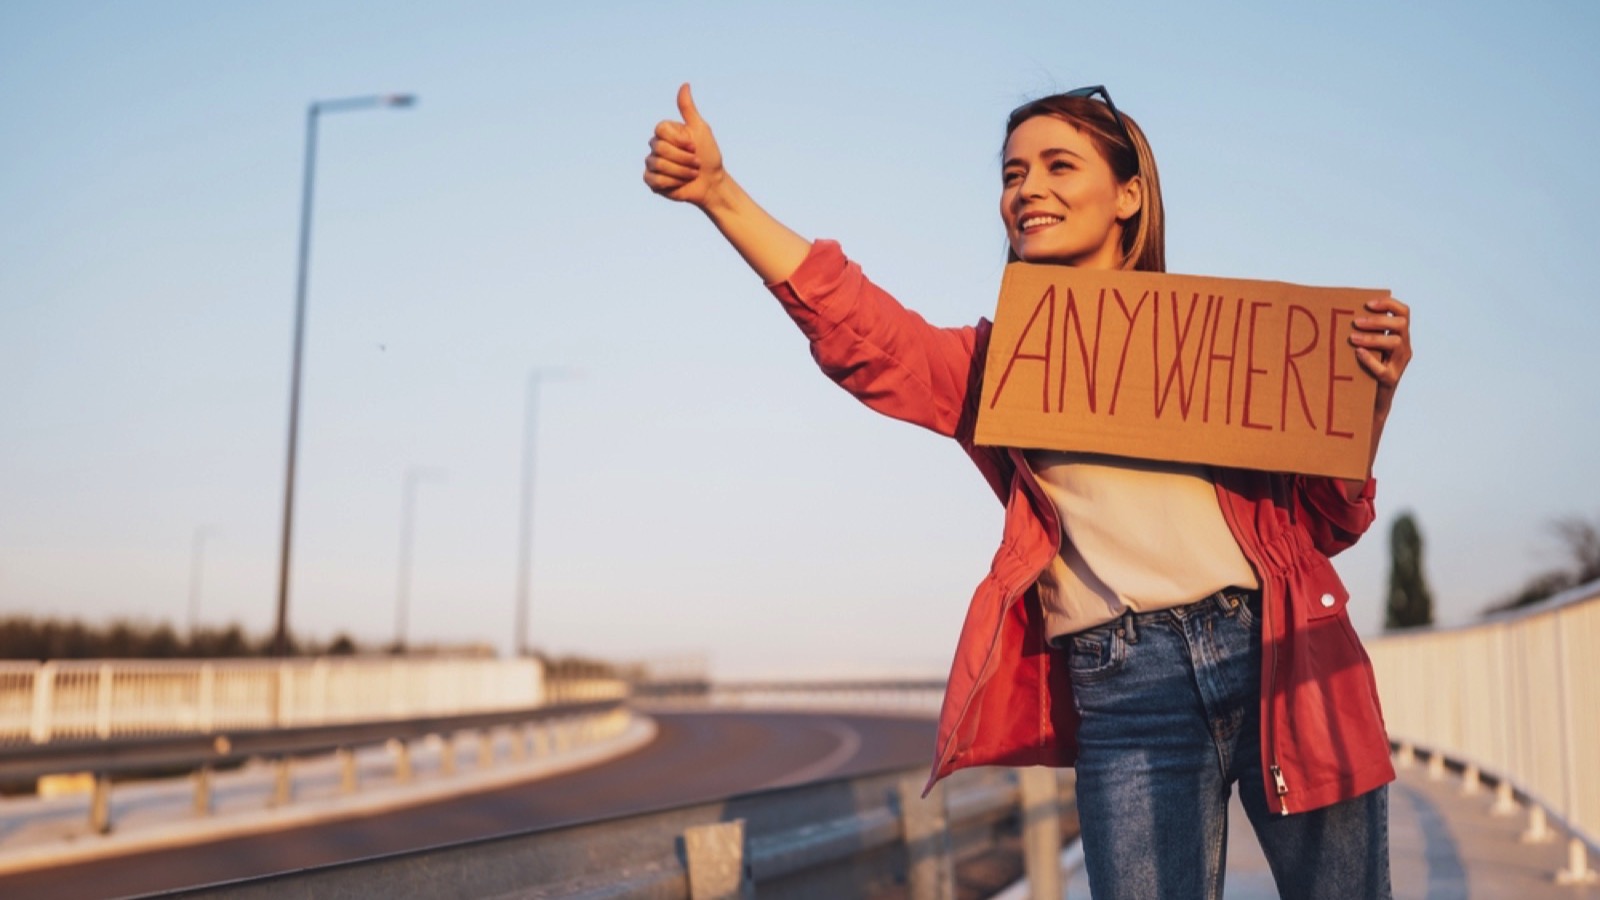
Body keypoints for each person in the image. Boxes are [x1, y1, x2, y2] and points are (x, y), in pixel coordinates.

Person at [644, 82, 1412, 900]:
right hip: (1127, 684)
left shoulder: (1225, 347)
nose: (1027, 190)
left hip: (1278, 650)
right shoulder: (1001, 367)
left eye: (1057, 165)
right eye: (1012, 175)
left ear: (1127, 196)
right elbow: (860, 331)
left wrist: (1371, 398)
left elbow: (1330, 523)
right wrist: (719, 195)